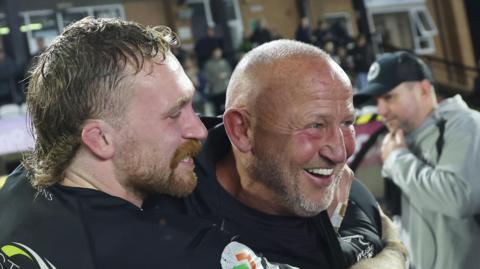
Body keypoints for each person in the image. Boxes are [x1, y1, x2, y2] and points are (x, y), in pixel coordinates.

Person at [0, 17, 241, 269]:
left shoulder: (14, 191)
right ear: (100, 139)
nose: (200, 130)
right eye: (173, 115)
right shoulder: (181, 255)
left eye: (192, 107)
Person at [155, 39, 408, 269]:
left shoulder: (354, 199)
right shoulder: (163, 216)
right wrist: (394, 255)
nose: (340, 152)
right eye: (315, 125)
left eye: (346, 123)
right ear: (242, 130)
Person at [354, 51, 480, 269]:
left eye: (389, 97)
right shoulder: (400, 140)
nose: (381, 111)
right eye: (377, 101)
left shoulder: (465, 125)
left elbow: (460, 198)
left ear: (423, 89)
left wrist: (397, 160)